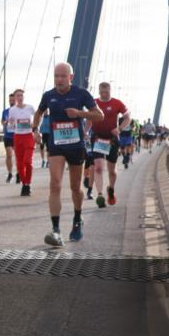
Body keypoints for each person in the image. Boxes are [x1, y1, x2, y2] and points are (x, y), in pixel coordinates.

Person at [32, 63, 103, 247]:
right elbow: (39, 112)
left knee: (75, 187)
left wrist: (79, 113)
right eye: (56, 76)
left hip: (76, 145)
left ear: (71, 77)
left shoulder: (81, 94)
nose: (59, 79)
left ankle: (77, 219)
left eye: (63, 76)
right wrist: (35, 129)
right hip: (56, 145)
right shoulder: (49, 95)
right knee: (55, 184)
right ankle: (56, 230)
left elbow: (99, 115)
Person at [90, 82, 131, 207]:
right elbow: (88, 118)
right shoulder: (93, 102)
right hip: (98, 138)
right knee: (98, 167)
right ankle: (100, 195)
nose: (104, 95)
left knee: (112, 170)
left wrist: (119, 129)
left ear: (110, 91)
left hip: (112, 139)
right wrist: (86, 132)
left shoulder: (117, 103)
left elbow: (128, 117)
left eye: (106, 92)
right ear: (99, 92)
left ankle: (111, 189)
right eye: (102, 92)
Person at [7, 89, 38, 196]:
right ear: (15, 98)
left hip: (29, 136)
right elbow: (10, 126)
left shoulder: (30, 108)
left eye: (21, 95)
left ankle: (28, 183)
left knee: (27, 161)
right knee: (20, 164)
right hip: (18, 137)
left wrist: (35, 126)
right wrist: (10, 123)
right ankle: (25, 184)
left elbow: (39, 116)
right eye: (18, 96)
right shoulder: (12, 110)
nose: (20, 97)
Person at [0, 93, 16, 183]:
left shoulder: (19, 110)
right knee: (9, 155)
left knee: (18, 156)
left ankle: (19, 172)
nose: (11, 102)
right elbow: (2, 121)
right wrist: (4, 123)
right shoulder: (5, 111)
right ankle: (10, 173)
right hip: (8, 136)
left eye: (13, 100)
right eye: (10, 100)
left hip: (17, 135)